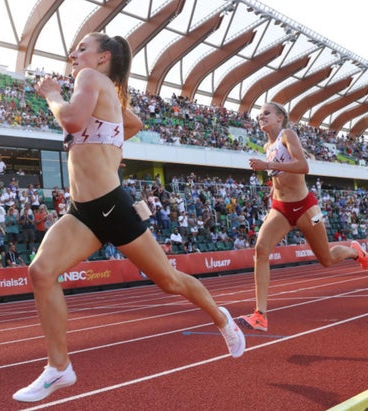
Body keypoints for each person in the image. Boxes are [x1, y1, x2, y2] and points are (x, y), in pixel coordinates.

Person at [12, 33, 245, 403]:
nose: (74, 54)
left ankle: (223, 319)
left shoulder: (87, 79)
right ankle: (59, 368)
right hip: (82, 212)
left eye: (82, 49)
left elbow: (71, 120)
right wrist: (111, 143)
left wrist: (52, 94)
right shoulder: (105, 89)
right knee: (40, 272)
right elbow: (130, 123)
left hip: (110, 205)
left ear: (103, 57)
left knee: (169, 281)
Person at [236, 102, 368, 333]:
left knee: (326, 258)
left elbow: (303, 166)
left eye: (266, 113)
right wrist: (272, 191)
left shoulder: (287, 135)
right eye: (259, 115)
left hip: (306, 208)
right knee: (261, 250)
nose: (262, 117)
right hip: (280, 208)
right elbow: (279, 176)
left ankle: (355, 251)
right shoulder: (267, 146)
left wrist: (266, 165)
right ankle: (260, 315)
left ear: (280, 118)